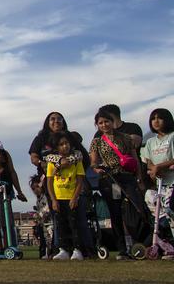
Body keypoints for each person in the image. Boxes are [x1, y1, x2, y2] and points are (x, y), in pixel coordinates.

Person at [28, 111, 93, 256]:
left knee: (78, 218)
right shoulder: (41, 138)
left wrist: (70, 160)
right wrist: (49, 162)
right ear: (47, 122)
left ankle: (84, 249)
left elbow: (84, 157)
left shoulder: (69, 137)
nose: (56, 121)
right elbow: (33, 157)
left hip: (72, 185)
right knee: (56, 218)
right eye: (52, 119)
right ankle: (59, 249)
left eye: (59, 119)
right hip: (51, 183)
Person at [89, 109, 146, 260]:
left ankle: (141, 243)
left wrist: (139, 178)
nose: (104, 125)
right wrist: (97, 169)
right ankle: (122, 248)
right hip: (111, 179)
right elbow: (93, 162)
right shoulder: (97, 141)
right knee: (116, 211)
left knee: (135, 208)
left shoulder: (126, 138)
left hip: (127, 177)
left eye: (106, 121)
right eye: (100, 123)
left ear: (112, 122)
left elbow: (135, 158)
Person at [141, 108, 174, 253]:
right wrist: (153, 170)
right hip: (160, 183)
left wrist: (160, 167)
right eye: (153, 118)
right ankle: (165, 239)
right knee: (154, 203)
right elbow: (148, 161)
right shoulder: (151, 142)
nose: (156, 121)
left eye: (159, 118)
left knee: (170, 207)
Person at [46, 132, 86, 260]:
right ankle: (63, 250)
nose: (65, 146)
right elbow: (49, 182)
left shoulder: (76, 160)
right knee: (60, 224)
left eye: (66, 143)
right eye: (61, 144)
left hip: (71, 197)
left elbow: (80, 180)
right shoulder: (52, 162)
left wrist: (75, 197)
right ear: (57, 147)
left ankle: (77, 249)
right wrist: (53, 199)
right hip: (58, 198)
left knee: (74, 224)